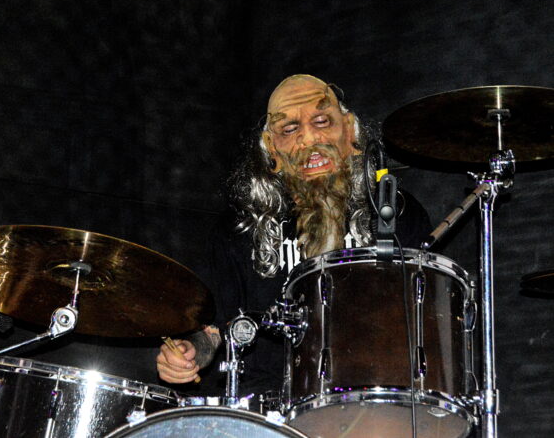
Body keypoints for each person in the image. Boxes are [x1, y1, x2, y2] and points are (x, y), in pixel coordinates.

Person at [155, 74, 430, 395]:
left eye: (322, 121)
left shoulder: (395, 212)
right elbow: (215, 329)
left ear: (351, 133)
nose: (308, 139)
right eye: (289, 129)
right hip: (268, 404)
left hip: (375, 394)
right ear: (271, 150)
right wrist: (190, 354)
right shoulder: (240, 227)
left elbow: (429, 318)